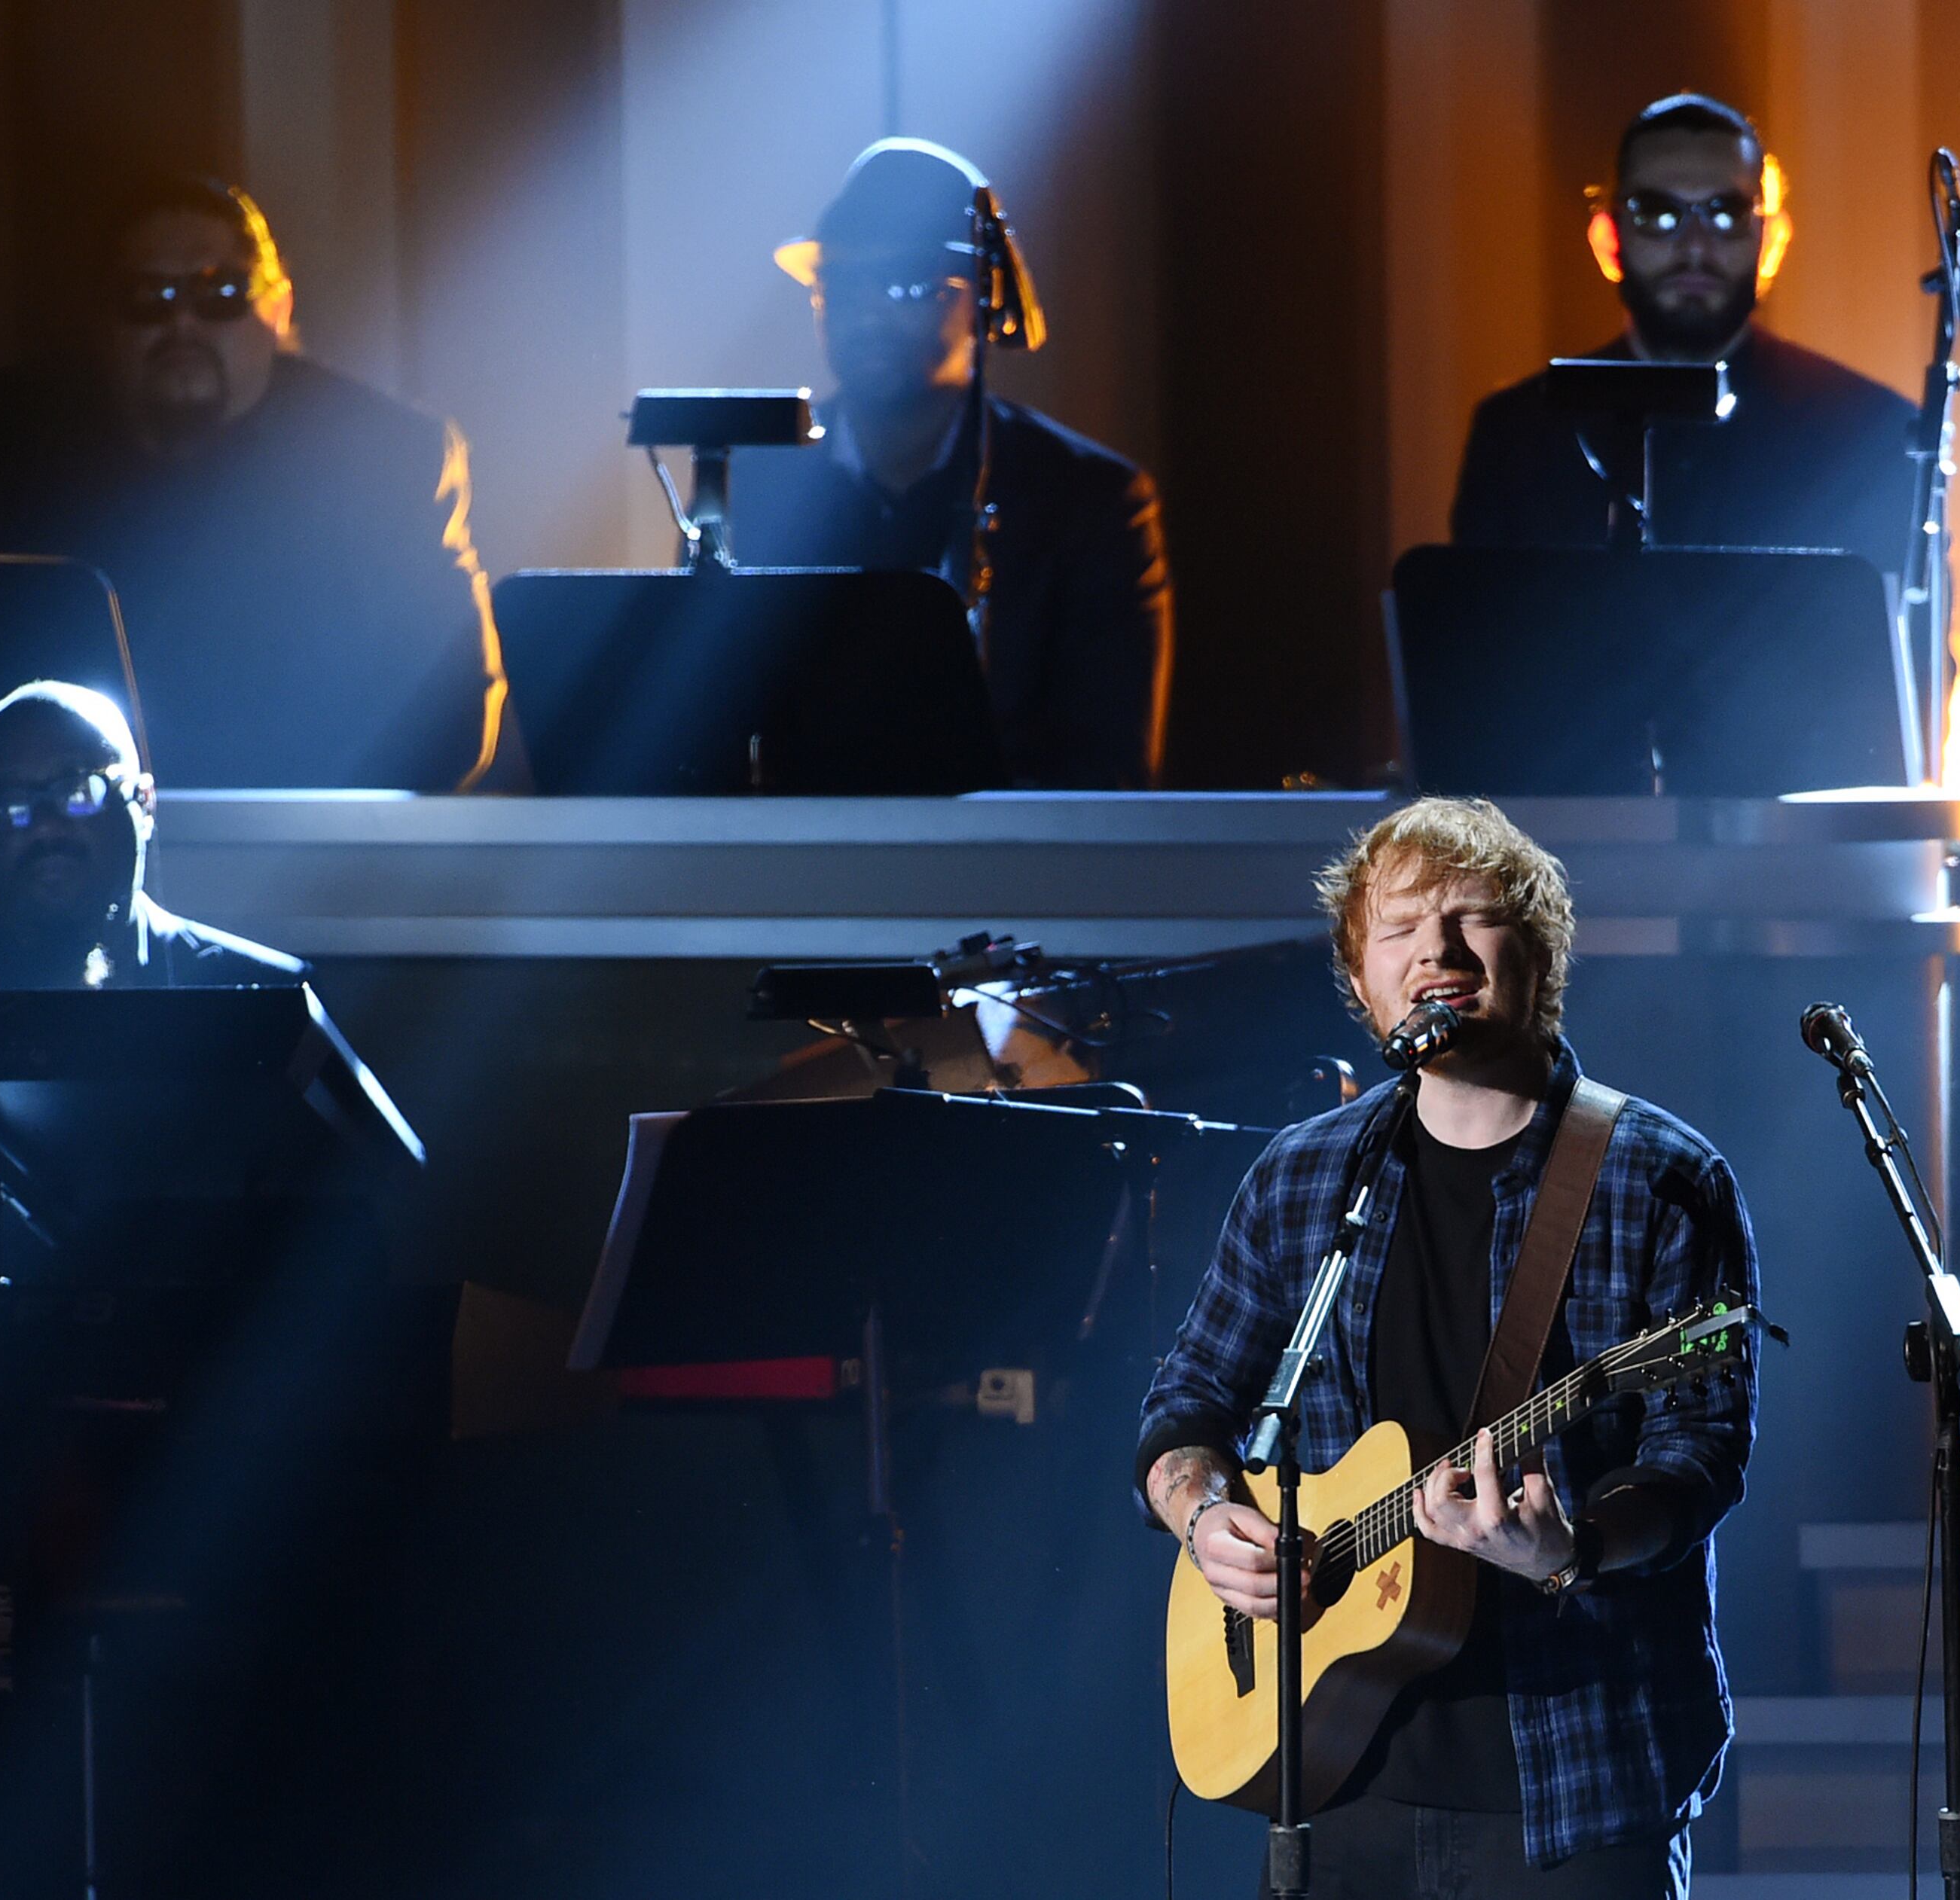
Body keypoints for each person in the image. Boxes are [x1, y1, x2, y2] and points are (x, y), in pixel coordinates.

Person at [1134, 798, 1757, 1898]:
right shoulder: (1303, 1176)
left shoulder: (1658, 1174)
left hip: (1577, 1775)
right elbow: (1188, 1402)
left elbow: (1699, 1449)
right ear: (1363, 979)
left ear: (1539, 955)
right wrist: (1203, 1516)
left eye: (1476, 917)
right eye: (1401, 927)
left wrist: (1575, 1547)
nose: (1439, 949)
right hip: (1332, 1772)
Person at [0, 176, 509, 792]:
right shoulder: (7, 449)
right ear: (103, 323)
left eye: (221, 293)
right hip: (64, 824)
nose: (183, 324)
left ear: (278, 310)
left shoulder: (381, 457)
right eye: (148, 298)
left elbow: (451, 714)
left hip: (310, 827)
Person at [735, 139, 1174, 789]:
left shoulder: (1090, 501)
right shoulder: (757, 483)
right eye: (842, 285)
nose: (869, 311)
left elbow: (1109, 773)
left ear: (986, 300)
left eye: (909, 286)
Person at [1450, 94, 1919, 586]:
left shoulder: (1870, 436)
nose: (1695, 246)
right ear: (1608, 236)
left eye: (1726, 213)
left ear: (1769, 237)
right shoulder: (1516, 439)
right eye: (1659, 213)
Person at [0, 681, 303, 991]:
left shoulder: (266, 999)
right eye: (10, 803)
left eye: (79, 790)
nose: (45, 825)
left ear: (144, 803)